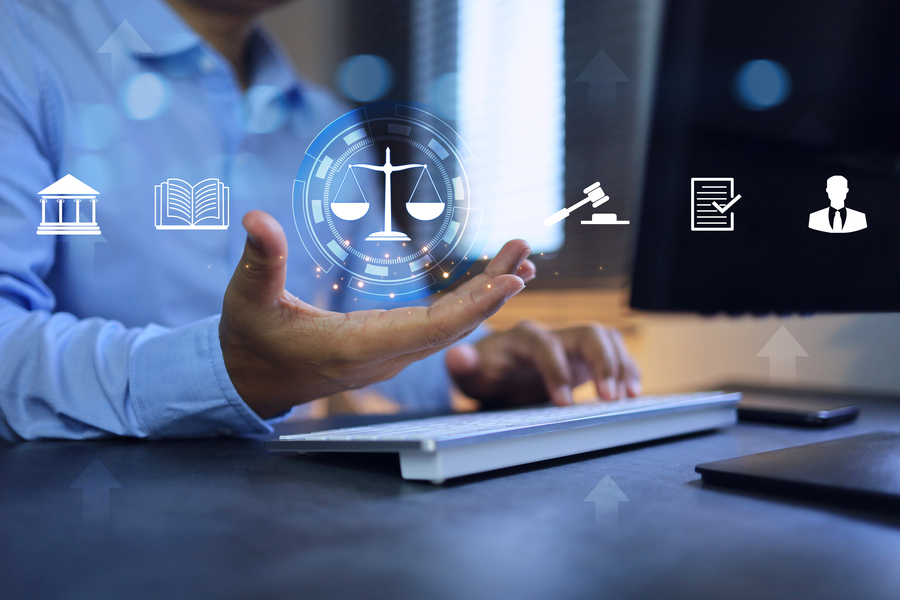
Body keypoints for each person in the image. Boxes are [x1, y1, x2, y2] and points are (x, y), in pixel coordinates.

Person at [0, 0, 641, 443]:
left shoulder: (325, 124)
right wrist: (225, 373)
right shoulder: (19, 52)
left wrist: (471, 366)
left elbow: (369, 330)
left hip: (285, 535)